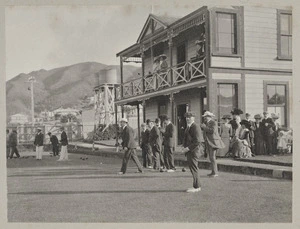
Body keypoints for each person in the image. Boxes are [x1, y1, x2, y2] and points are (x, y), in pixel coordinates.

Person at [182, 112, 203, 193]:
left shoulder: (195, 127)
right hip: (191, 151)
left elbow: (198, 141)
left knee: (194, 168)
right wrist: (184, 146)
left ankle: (197, 186)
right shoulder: (189, 127)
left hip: (194, 151)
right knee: (193, 168)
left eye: (189, 117)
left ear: (193, 118)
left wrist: (187, 148)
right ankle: (196, 185)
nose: (187, 118)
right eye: (186, 117)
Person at [201, 111, 225, 177]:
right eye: (205, 117)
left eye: (206, 117)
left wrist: (204, 127)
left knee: (212, 157)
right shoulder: (206, 123)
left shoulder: (213, 122)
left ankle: (215, 172)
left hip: (213, 142)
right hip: (209, 141)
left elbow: (212, 131)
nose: (205, 118)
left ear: (209, 117)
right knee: (211, 157)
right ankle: (213, 171)